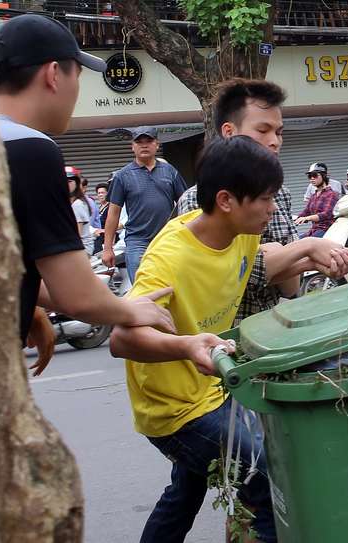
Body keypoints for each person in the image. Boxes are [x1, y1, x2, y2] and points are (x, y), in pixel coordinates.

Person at [110, 136, 285, 543]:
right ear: (226, 200)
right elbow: (121, 339)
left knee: (185, 493)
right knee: (266, 478)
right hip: (175, 410)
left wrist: (311, 250)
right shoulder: (168, 258)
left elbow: (268, 266)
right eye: (263, 198)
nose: (271, 208)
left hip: (212, 390)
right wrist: (186, 346)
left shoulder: (243, 231)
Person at [0, 13, 174, 375]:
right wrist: (129, 309)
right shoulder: (29, 148)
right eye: (79, 75)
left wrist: (31, 305)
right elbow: (78, 294)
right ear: (54, 74)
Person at [176, 79, 348, 324]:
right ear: (229, 132)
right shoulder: (196, 200)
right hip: (220, 341)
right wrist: (304, 249)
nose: (275, 141)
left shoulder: (280, 194)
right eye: (263, 130)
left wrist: (309, 261)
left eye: (279, 132)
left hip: (270, 329)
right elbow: (228, 274)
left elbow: (288, 288)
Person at [101, 127, 188, 282]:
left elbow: (185, 205)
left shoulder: (170, 171)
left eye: (149, 141)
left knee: (170, 286)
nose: (144, 145)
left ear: (157, 144)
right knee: (142, 290)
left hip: (166, 239)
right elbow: (113, 214)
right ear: (132, 146)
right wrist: (108, 249)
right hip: (136, 242)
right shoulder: (122, 176)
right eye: (139, 142)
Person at [295, 163, 340, 237]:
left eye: (315, 175)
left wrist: (307, 218)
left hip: (326, 230)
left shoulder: (331, 194)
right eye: (310, 176)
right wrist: (295, 219)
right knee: (296, 241)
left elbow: (326, 214)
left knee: (306, 244)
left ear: (324, 176)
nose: (312, 178)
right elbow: (306, 212)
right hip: (314, 230)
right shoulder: (314, 196)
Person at [65, 166, 94, 254]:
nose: (66, 184)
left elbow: (77, 234)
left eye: (70, 181)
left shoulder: (77, 204)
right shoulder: (70, 203)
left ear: (77, 183)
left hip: (82, 248)